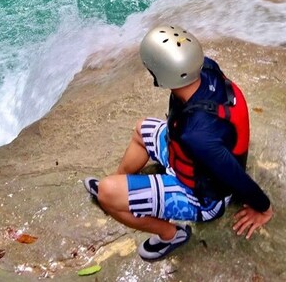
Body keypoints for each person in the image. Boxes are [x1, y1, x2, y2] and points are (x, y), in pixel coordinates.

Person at [83, 25, 272, 261]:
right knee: (142, 128)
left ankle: (171, 235)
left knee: (106, 194)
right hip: (187, 156)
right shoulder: (207, 69)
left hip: (202, 197)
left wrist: (264, 208)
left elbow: (234, 177)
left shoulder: (197, 136)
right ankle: (118, 179)